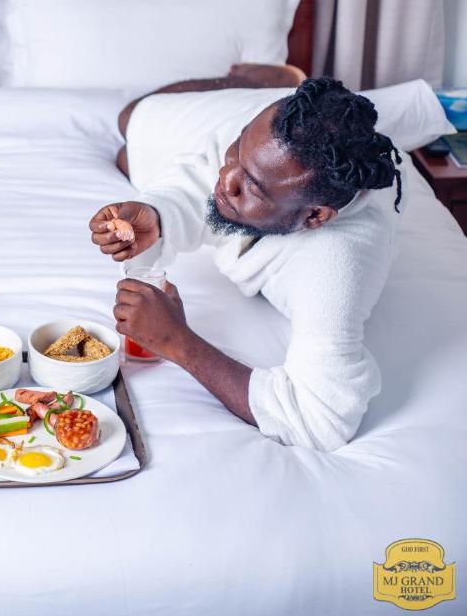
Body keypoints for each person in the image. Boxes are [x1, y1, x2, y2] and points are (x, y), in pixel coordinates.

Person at [90, 74, 403, 451]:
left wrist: (178, 342)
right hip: (229, 114)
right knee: (126, 119)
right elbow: (203, 174)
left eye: (251, 187)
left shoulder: (338, 266)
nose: (224, 180)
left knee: (127, 152)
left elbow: (319, 420)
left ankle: (264, 86)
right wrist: (157, 217)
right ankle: (258, 80)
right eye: (235, 150)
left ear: (316, 217)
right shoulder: (265, 144)